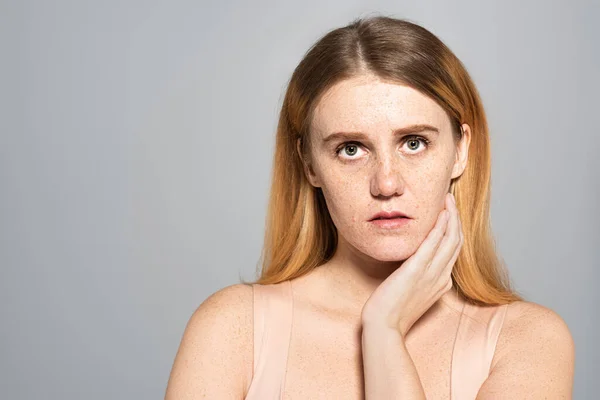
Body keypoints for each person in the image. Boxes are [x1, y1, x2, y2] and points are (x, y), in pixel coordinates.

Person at [164, 16, 575, 399]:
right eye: (350, 149)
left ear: (460, 151)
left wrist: (383, 332)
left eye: (414, 143)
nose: (387, 183)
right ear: (309, 164)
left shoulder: (527, 340)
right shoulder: (231, 329)